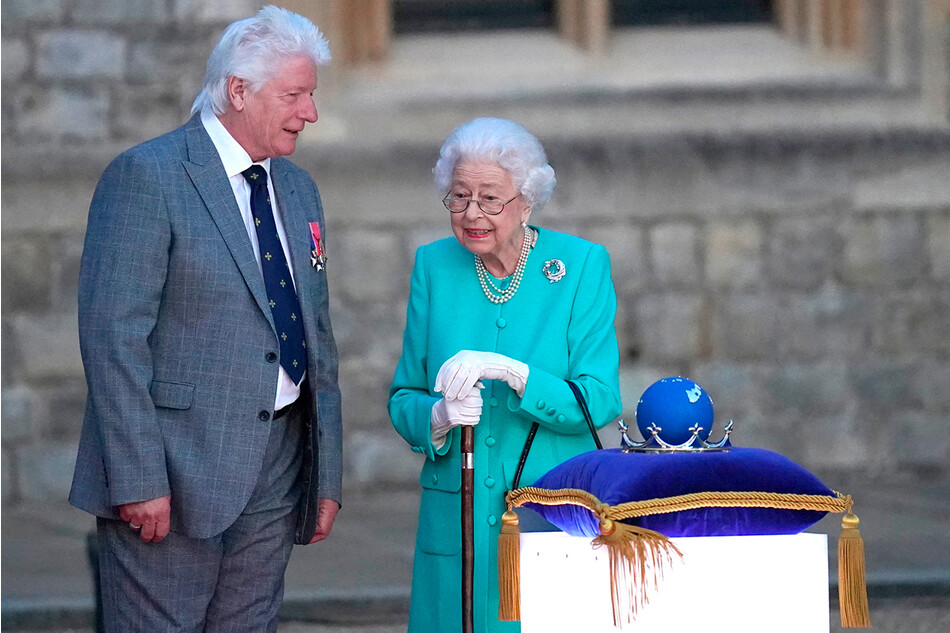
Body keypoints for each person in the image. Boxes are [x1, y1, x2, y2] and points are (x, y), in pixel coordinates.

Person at [68, 6, 342, 631]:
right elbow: (113, 338)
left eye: (312, 94)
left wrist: (326, 477)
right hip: (173, 470)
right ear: (238, 91)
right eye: (295, 94)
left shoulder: (299, 188)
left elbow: (317, 336)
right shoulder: (147, 176)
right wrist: (136, 478)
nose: (311, 112)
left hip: (279, 462)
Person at [389, 117, 622, 632]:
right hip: (458, 525)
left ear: (527, 199)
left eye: (490, 198)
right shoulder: (434, 265)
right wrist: (437, 416)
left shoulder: (580, 266)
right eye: (459, 196)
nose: (472, 213)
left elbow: (600, 399)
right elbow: (403, 393)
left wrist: (516, 375)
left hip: (549, 512)